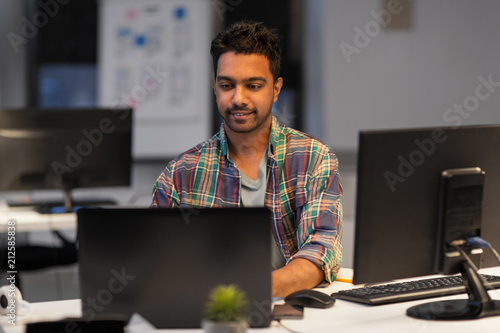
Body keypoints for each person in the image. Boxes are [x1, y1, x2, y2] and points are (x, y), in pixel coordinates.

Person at [151, 21, 342, 297]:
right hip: (208, 315)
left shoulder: (313, 159)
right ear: (215, 87)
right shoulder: (181, 173)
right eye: (227, 85)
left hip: (288, 310)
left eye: (253, 85)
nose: (238, 99)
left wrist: (246, 293)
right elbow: (155, 261)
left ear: (276, 89)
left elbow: (320, 253)